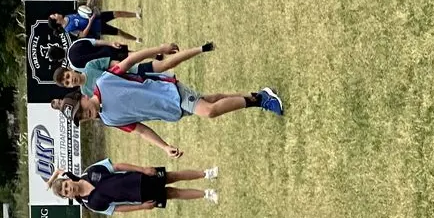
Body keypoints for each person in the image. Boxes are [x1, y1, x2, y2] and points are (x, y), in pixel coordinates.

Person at [53, 41, 283, 155]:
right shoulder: (109, 120)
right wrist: (163, 146)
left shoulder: (103, 81)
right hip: (171, 111)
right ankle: (253, 96)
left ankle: (261, 98)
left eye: (81, 110)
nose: (85, 115)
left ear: (81, 99)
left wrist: (158, 49)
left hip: (170, 92)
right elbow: (141, 130)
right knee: (211, 101)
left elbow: (131, 61)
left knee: (209, 111)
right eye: (81, 118)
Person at [48, 161, 219, 211]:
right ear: (68, 197)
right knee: (173, 194)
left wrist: (143, 169)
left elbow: (118, 167)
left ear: (68, 180)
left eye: (66, 186)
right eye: (66, 192)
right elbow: (118, 209)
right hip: (138, 196)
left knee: (173, 176)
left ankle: (206, 173)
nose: (69, 189)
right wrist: (141, 207)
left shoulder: (91, 171)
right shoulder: (91, 204)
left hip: (140, 178)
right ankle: (207, 194)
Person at [50, 10, 138, 43]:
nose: (56, 13)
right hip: (97, 26)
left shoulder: (67, 16)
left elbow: (81, 15)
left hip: (97, 16)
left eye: (54, 13)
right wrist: (90, 22)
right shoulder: (69, 29)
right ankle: (136, 39)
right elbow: (83, 35)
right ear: (57, 21)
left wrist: (88, 12)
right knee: (119, 32)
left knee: (116, 13)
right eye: (55, 15)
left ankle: (136, 14)